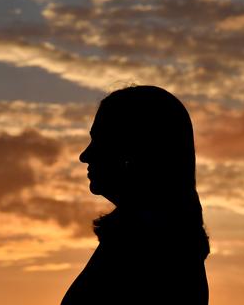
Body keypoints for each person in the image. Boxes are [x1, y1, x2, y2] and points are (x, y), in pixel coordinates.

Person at [61, 85, 210, 305]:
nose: (85, 155)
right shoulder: (151, 241)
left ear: (131, 150)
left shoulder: (148, 250)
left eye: (99, 141)